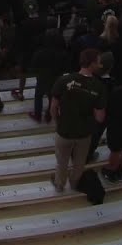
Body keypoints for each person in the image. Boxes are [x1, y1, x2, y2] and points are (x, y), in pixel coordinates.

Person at [49, 48, 107, 193]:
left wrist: (57, 122)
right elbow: (100, 117)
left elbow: (53, 107)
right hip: (84, 134)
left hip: (64, 131)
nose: (100, 65)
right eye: (98, 62)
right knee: (79, 163)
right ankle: (74, 184)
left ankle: (59, 185)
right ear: (92, 64)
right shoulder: (99, 86)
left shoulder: (64, 80)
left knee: (61, 162)